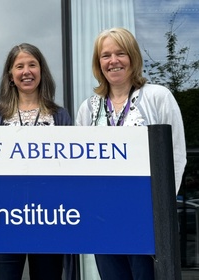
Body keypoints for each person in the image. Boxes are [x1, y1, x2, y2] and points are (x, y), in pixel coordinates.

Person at [75, 27, 187, 280]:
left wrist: (162, 208)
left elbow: (176, 155)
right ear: (98, 63)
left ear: (133, 57)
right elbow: (82, 165)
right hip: (105, 217)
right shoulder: (88, 108)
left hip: (148, 216)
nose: (113, 61)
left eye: (120, 53)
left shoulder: (158, 97)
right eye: (105, 56)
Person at [0, 43, 71, 280]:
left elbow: (68, 169)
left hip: (48, 219)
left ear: (41, 71)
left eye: (32, 65)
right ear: (10, 75)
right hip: (5, 220)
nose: (26, 71)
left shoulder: (59, 115)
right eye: (19, 66)